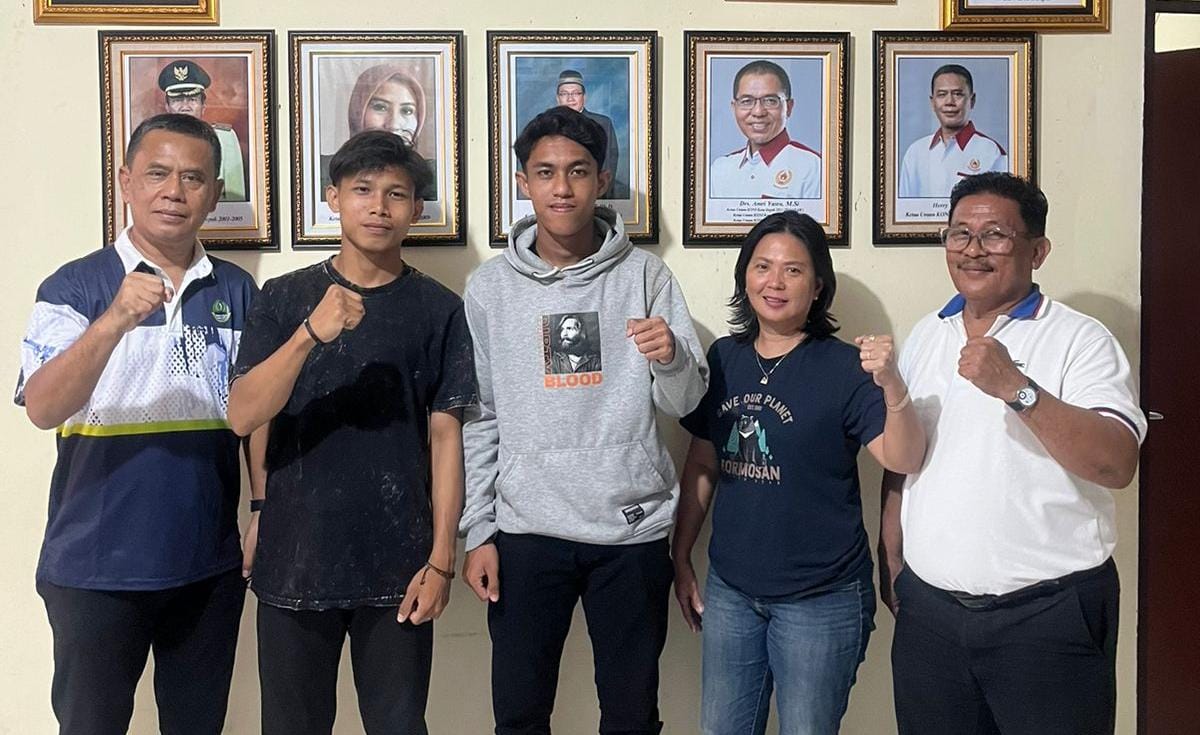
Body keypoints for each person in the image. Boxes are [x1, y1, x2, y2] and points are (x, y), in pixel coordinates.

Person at [459, 106, 708, 735]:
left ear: (601, 180)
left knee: (630, 715)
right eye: (545, 172)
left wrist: (672, 357)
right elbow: (480, 417)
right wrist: (478, 530)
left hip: (630, 530)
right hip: (525, 529)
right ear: (523, 183)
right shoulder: (489, 288)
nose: (562, 187)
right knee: (520, 714)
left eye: (577, 171)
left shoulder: (646, 275)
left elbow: (684, 404)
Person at [16, 112, 259, 734]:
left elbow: (259, 417)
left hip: (206, 565)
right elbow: (42, 407)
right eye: (157, 174)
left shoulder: (238, 291)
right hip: (93, 568)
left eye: (193, 178)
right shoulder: (74, 287)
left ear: (214, 192)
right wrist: (116, 319)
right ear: (126, 182)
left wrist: (263, 508)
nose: (174, 191)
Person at [226, 130, 476, 734]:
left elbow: (447, 440)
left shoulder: (439, 309)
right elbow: (244, 415)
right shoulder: (285, 298)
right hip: (294, 557)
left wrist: (443, 560)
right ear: (333, 198)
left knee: (399, 726)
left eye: (396, 194)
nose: (378, 207)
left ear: (417, 209)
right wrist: (310, 334)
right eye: (363, 190)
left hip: (400, 566)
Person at [878, 172, 1146, 735]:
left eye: (995, 235)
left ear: (1037, 251)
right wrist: (891, 546)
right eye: (959, 233)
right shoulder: (928, 332)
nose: (973, 250)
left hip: (1047, 619)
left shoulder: (1081, 339)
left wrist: (1018, 389)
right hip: (931, 615)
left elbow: (1117, 463)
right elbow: (911, 453)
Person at [672, 211, 926, 735]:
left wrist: (893, 387)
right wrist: (681, 555)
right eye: (762, 266)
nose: (775, 282)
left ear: (818, 286)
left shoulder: (845, 367)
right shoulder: (724, 358)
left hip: (822, 597)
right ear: (745, 276)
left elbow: (902, 459)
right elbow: (702, 462)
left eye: (793, 270)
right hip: (732, 591)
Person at [320, 64, 437, 201]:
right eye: (380, 107)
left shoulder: (438, 177)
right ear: (358, 111)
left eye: (407, 111)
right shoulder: (320, 172)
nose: (394, 124)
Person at [709, 60, 822, 200]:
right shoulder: (720, 170)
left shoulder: (813, 168)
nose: (758, 112)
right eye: (746, 101)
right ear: (734, 108)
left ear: (789, 107)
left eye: (770, 101)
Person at [897, 64, 1008, 199]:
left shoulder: (992, 152)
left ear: (972, 100)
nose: (949, 101)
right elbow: (904, 208)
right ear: (932, 102)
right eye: (942, 95)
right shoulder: (915, 153)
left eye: (957, 94)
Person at [158, 59, 248, 202]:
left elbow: (236, 198)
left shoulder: (225, 140)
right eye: (178, 100)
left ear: (203, 105)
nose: (185, 107)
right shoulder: (154, 142)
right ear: (167, 107)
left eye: (192, 99)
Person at [555, 69, 626, 199]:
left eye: (576, 93)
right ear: (558, 98)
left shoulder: (602, 123)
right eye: (564, 94)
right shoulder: (548, 125)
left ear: (584, 97)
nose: (570, 98)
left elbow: (609, 161)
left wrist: (600, 193)